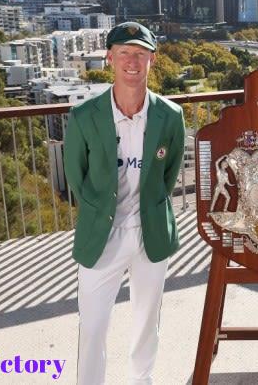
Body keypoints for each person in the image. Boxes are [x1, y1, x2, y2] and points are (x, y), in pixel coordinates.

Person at [63, 21, 185, 385]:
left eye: (141, 54)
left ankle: (141, 381)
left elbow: (169, 174)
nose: (133, 62)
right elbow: (76, 177)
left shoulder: (170, 116)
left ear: (152, 60)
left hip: (151, 235)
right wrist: (103, 213)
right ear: (110, 59)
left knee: (148, 321)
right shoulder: (84, 116)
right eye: (124, 54)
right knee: (94, 326)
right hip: (102, 236)